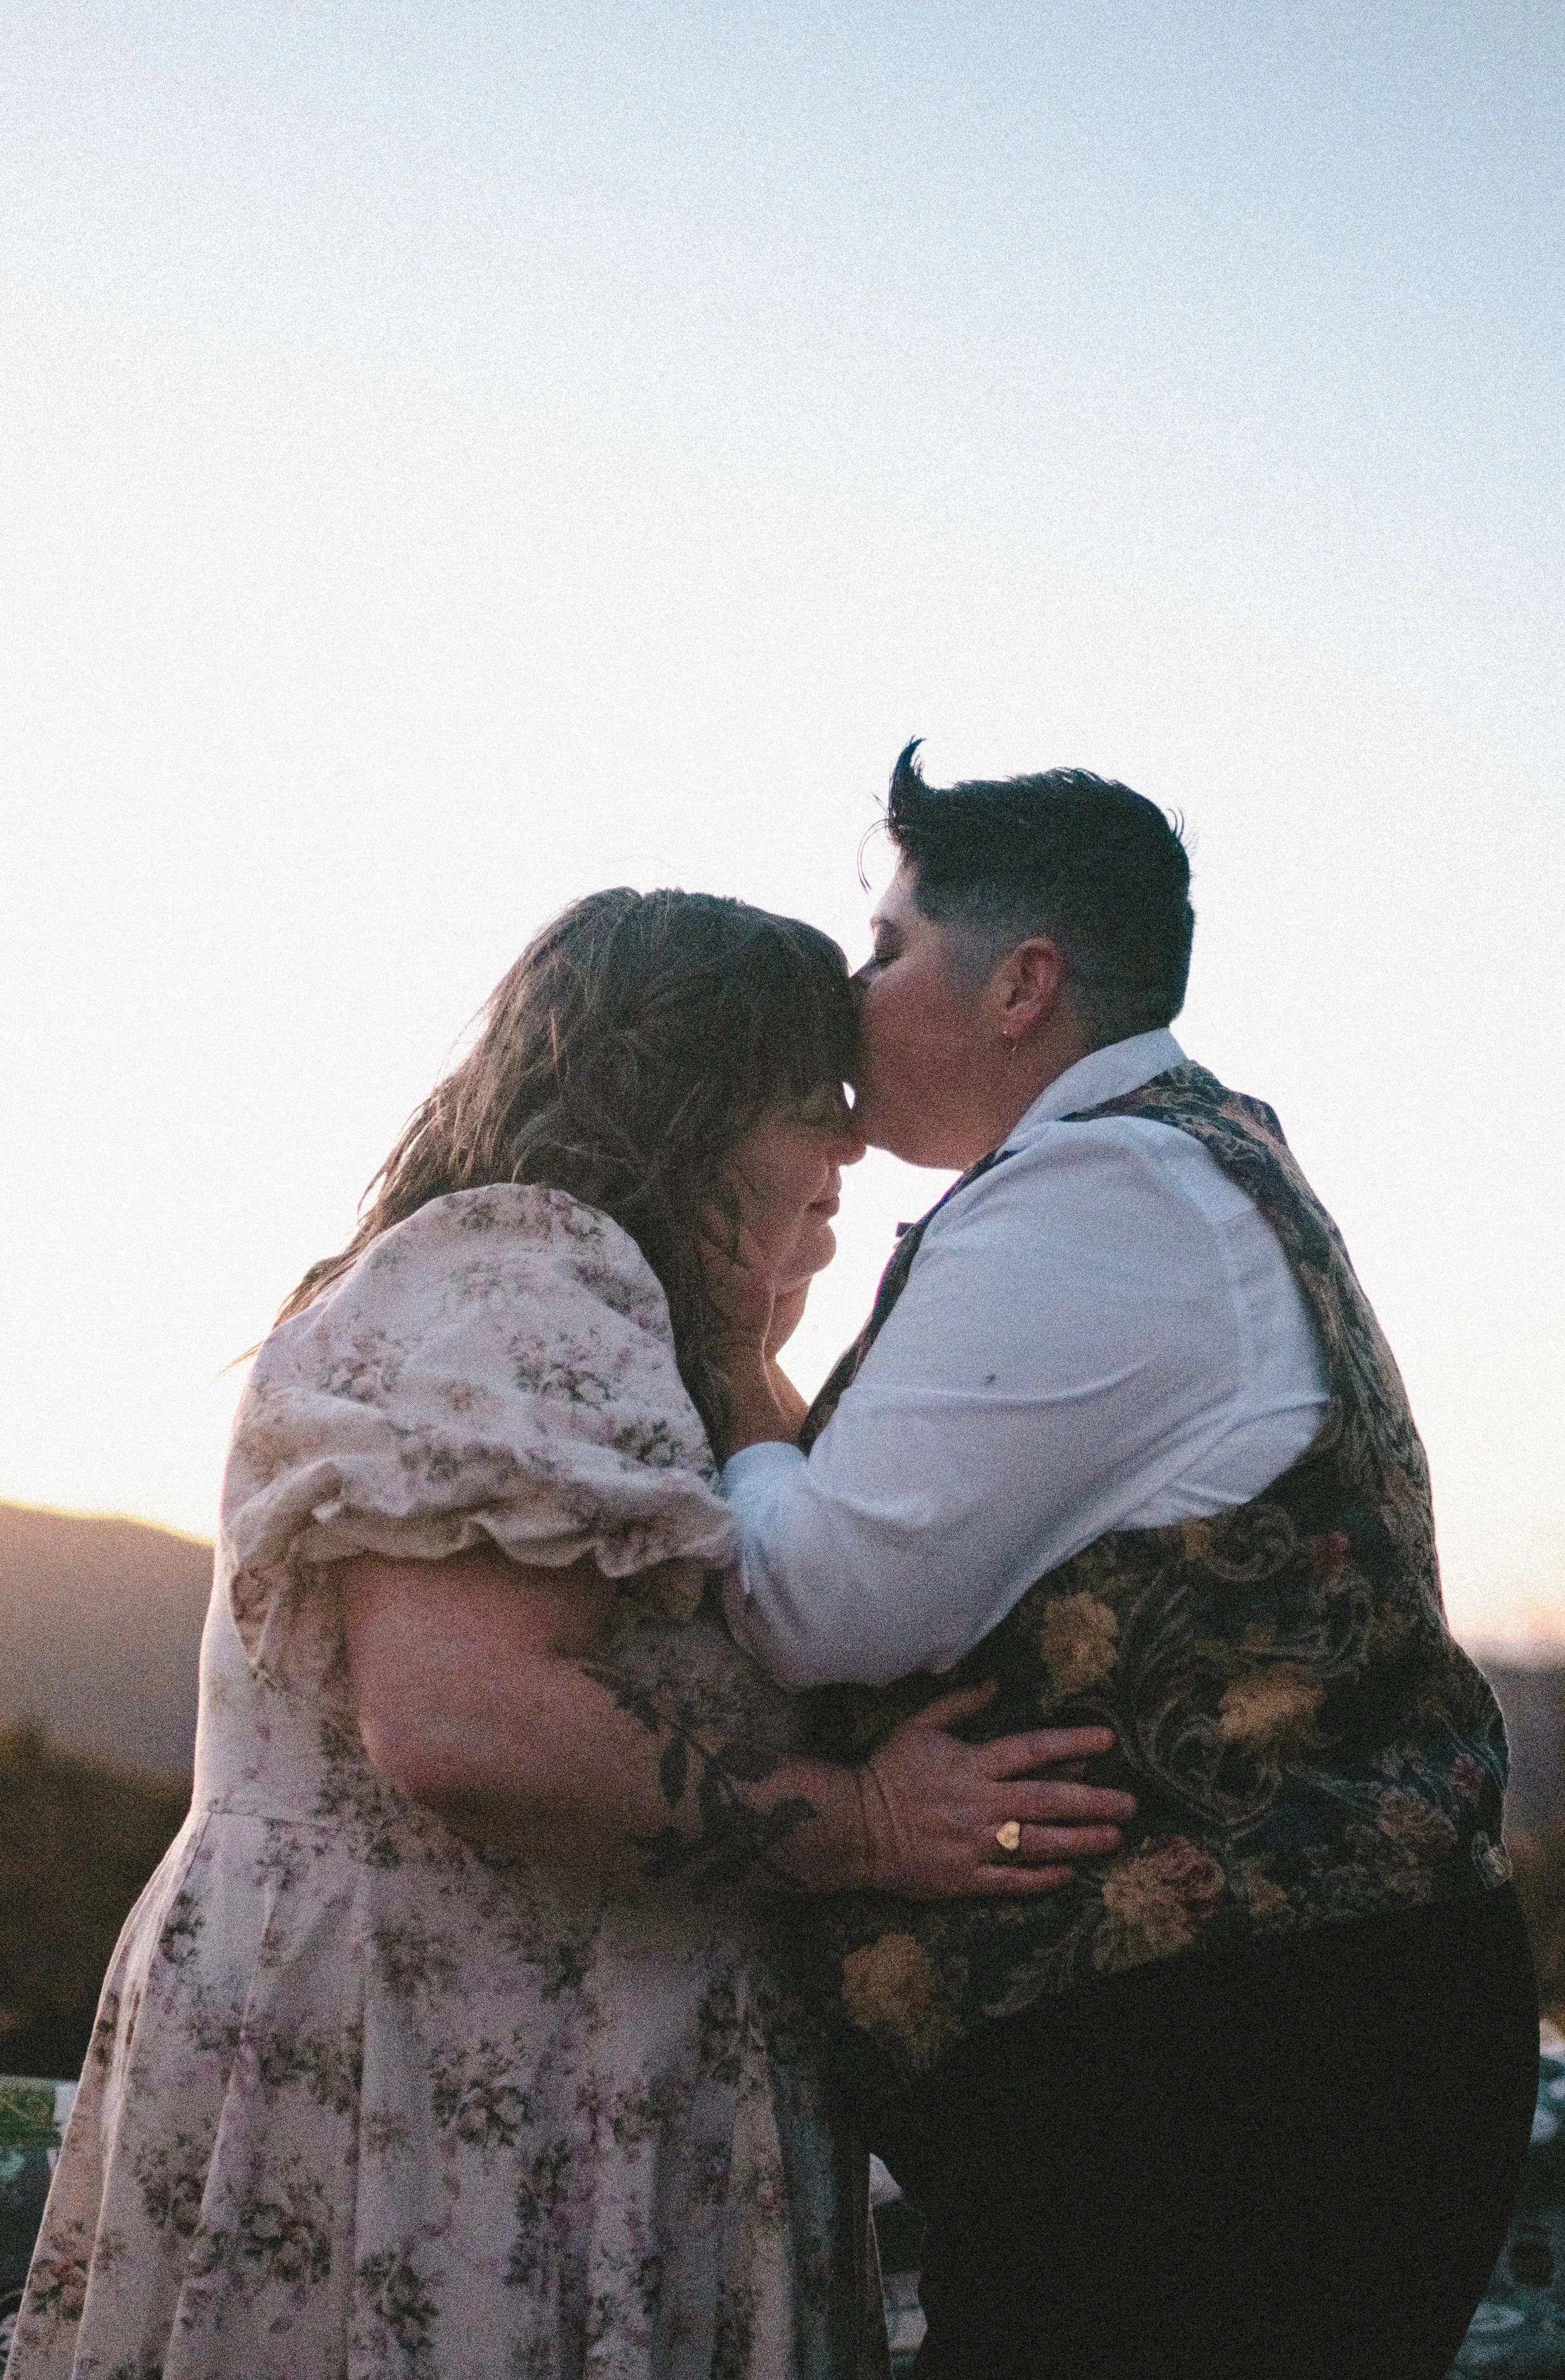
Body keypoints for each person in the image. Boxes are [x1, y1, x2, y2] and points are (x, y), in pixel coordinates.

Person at [7, 887, 1132, 2380]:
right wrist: (858, 1822)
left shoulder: (634, 1327)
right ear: (695, 1099)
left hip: (555, 2079)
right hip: (440, 2092)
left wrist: (737, 1348)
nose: (851, 1147)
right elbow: (459, 1721)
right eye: (813, 1101)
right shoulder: (521, 1267)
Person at [709, 748, 1540, 2380]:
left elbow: (820, 1603)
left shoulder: (1095, 1192)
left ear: (1022, 983)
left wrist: (735, 1367)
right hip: (1278, 2041)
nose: (849, 996)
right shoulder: (1179, 1161)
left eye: (883, 952)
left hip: (1231, 2073)